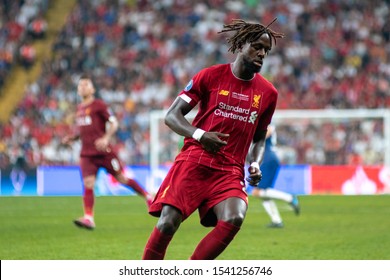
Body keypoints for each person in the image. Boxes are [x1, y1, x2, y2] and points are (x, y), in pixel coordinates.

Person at [142, 18, 284, 260]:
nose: (262, 54)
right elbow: (172, 116)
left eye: (266, 50)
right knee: (168, 223)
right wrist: (200, 135)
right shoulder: (210, 76)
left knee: (235, 216)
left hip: (230, 170)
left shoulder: (268, 93)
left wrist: (256, 163)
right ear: (241, 45)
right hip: (194, 160)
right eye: (257, 47)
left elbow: (260, 138)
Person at [62, 75, 153, 230]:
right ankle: (89, 218)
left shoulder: (99, 105)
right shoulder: (79, 109)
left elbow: (114, 123)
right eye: (80, 85)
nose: (83, 87)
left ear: (92, 89)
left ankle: (148, 196)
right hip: (87, 154)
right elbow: (85, 131)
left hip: (104, 152)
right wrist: (73, 138)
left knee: (121, 178)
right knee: (88, 183)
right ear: (78, 90)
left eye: (86, 85)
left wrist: (106, 138)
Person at [251, 125, 300, 228]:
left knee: (256, 192)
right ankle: (277, 221)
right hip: (267, 158)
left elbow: (267, 132)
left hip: (267, 159)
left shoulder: (267, 125)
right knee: (262, 193)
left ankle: (290, 198)